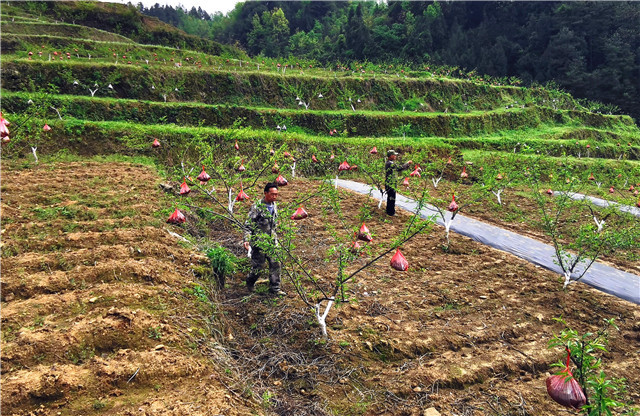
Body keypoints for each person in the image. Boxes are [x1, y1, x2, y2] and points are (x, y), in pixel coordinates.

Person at [243, 182, 286, 295]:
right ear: (265, 193)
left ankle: (275, 289)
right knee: (259, 267)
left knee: (276, 263)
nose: (275, 197)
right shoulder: (257, 207)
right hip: (260, 242)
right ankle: (250, 281)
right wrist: (247, 239)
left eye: (276, 194)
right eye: (272, 194)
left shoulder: (274, 205)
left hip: (272, 241)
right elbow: (249, 225)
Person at [384, 150, 412, 216]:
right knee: (392, 198)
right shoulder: (390, 163)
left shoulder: (390, 163)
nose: (395, 156)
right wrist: (407, 163)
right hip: (391, 183)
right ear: (391, 156)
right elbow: (400, 168)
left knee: (390, 198)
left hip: (391, 183)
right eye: (394, 155)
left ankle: (389, 211)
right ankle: (391, 212)